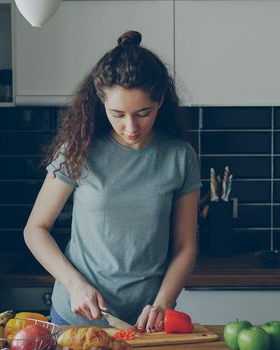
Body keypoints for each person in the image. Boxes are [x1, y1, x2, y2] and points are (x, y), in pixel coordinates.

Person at [23, 30, 201, 332]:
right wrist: (74, 285)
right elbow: (35, 229)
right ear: (100, 102)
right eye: (117, 114)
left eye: (143, 113)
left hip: (146, 323)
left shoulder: (179, 157)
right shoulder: (79, 149)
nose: (130, 127)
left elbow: (185, 246)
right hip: (75, 319)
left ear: (160, 102)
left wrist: (163, 303)